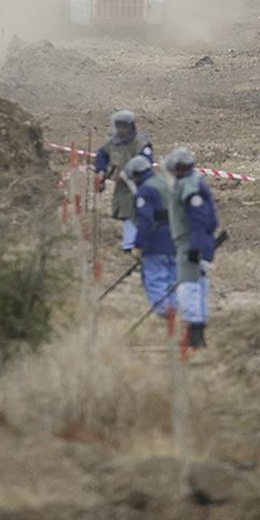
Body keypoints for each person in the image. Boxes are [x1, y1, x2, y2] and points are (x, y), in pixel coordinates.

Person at [162, 147, 218, 349]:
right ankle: (198, 334)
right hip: (194, 242)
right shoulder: (191, 183)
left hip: (191, 244)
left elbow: (199, 220)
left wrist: (195, 248)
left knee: (189, 288)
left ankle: (194, 333)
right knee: (199, 285)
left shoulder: (189, 187)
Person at [94, 110, 154, 252]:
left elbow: (145, 163)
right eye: (118, 126)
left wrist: (129, 173)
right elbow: (102, 155)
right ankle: (131, 243)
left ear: (131, 126)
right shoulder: (113, 141)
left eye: (124, 127)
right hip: (121, 186)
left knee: (135, 213)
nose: (121, 130)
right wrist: (100, 170)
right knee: (124, 212)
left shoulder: (141, 143)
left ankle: (133, 244)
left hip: (137, 184)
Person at [124, 155, 177, 315]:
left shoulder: (145, 190)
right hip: (176, 239)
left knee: (155, 280)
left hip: (156, 242)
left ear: (136, 175)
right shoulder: (166, 184)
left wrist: (139, 245)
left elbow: (145, 221)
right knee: (173, 281)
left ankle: (165, 317)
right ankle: (175, 314)